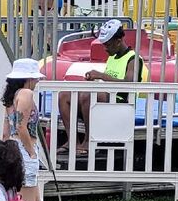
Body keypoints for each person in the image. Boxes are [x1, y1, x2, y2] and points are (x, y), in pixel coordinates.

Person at [58, 19, 147, 155]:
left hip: (121, 104)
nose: (105, 48)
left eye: (107, 45)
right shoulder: (112, 57)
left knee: (89, 94)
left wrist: (101, 76)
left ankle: (89, 140)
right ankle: (73, 140)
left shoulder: (133, 58)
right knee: (64, 95)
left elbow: (129, 83)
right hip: (104, 100)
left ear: (118, 41)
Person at [0, 59, 53, 201]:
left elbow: (7, 126)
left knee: (33, 199)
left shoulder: (11, 96)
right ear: (30, 78)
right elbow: (22, 127)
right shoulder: (27, 94)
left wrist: (5, 146)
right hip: (24, 147)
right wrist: (31, 152)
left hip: (14, 146)